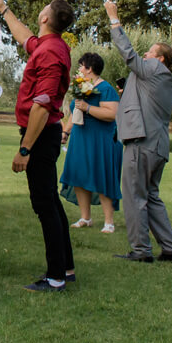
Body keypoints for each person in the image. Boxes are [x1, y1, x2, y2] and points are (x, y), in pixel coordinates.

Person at [0, 0, 76, 292]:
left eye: (42, 9)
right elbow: (23, 37)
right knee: (51, 201)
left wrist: (25, 149)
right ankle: (65, 268)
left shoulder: (51, 53)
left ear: (45, 18)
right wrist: (3, 9)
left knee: (44, 204)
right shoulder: (47, 45)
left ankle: (55, 276)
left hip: (42, 135)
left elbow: (42, 105)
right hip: (44, 134)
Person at [105, 0, 172, 264]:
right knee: (151, 196)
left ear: (160, 59)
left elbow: (129, 56)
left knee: (134, 196)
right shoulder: (164, 79)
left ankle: (140, 250)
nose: (145, 55)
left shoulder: (154, 68)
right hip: (158, 145)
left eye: (150, 52)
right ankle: (171, 248)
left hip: (141, 143)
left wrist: (114, 19)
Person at [59, 53, 122, 233]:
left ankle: (109, 222)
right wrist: (65, 132)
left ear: (90, 69)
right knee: (79, 176)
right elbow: (74, 113)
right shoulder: (81, 87)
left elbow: (111, 114)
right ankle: (85, 217)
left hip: (100, 140)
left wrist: (88, 108)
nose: (79, 69)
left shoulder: (106, 89)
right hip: (80, 138)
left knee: (102, 177)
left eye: (81, 66)